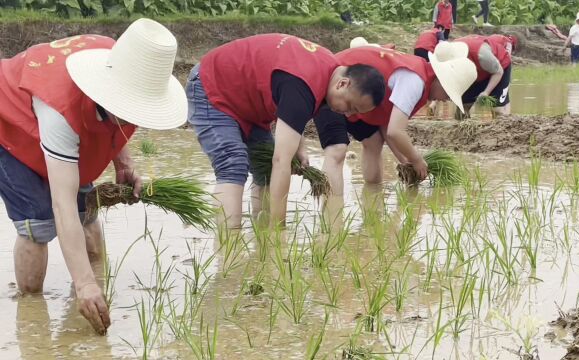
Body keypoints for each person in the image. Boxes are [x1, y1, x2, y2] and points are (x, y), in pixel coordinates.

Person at [0, 18, 187, 335]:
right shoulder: (61, 106)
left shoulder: (134, 62)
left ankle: (95, 298)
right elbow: (62, 205)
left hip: (61, 124)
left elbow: (117, 119)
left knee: (86, 209)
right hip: (9, 123)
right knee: (39, 221)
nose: (136, 114)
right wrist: (84, 282)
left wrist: (124, 160)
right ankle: (31, 313)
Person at [186, 34, 385, 228]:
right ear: (343, 84)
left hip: (248, 102)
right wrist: (278, 232)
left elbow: (291, 110)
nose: (349, 115)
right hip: (211, 86)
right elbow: (281, 160)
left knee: (264, 169)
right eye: (351, 107)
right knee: (233, 163)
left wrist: (300, 145)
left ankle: (260, 232)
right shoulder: (303, 83)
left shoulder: (325, 70)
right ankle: (228, 249)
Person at [314, 38, 477, 187]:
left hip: (359, 98)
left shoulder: (419, 74)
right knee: (336, 149)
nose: (446, 100)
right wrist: (417, 159)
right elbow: (395, 132)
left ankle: (373, 199)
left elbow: (386, 125)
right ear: (441, 81)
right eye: (448, 94)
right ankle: (331, 214)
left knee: (374, 142)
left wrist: (405, 161)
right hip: (334, 86)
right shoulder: (414, 82)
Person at [450, 35, 512, 116]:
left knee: (498, 110)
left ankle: (506, 123)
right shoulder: (449, 57)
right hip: (476, 71)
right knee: (462, 109)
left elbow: (498, 72)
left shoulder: (481, 53)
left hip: (499, 68)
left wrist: (486, 92)